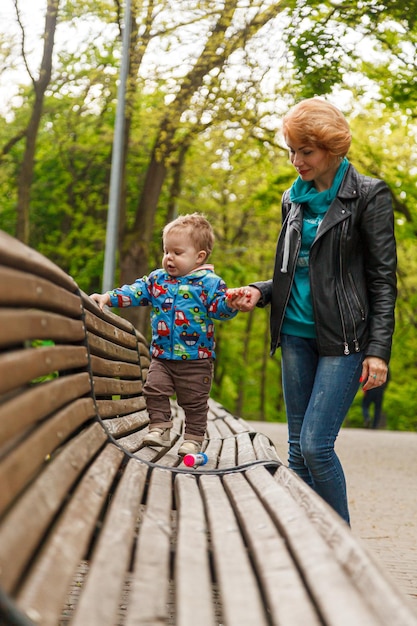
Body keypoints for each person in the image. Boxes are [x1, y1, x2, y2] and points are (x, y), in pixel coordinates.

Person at [227, 98, 397, 525]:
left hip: (344, 338)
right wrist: (259, 292)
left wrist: (378, 350)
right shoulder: (292, 199)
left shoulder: (369, 196)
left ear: (332, 149)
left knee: (317, 445)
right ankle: (306, 546)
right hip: (295, 335)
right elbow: (296, 272)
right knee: (298, 453)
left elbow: (381, 279)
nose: (296, 160)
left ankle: (342, 549)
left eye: (306, 151)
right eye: (291, 150)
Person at [91, 213, 237, 456]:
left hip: (196, 359)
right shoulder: (157, 280)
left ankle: (193, 439)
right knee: (154, 389)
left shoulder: (210, 284)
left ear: (199, 257)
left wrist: (231, 304)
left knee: (194, 402)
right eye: (166, 251)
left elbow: (219, 310)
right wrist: (108, 297)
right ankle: (160, 427)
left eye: (177, 253)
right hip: (162, 357)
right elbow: (136, 291)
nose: (169, 258)